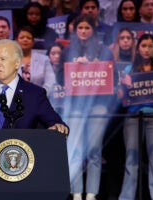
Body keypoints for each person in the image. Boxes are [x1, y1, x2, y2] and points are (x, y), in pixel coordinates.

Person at [61, 14, 113, 200]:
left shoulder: (104, 50)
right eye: (80, 28)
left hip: (97, 105)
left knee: (94, 151)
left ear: (93, 30)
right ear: (75, 30)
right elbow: (61, 77)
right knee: (74, 150)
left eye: (87, 28)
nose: (83, 31)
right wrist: (74, 67)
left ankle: (91, 194)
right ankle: (76, 193)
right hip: (74, 106)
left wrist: (94, 66)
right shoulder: (67, 51)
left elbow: (111, 76)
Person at [118, 33, 153, 200]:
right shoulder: (129, 69)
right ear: (138, 48)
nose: (147, 49)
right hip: (134, 117)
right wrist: (122, 88)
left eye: (150, 46)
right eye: (143, 46)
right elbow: (122, 99)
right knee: (131, 159)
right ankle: (126, 197)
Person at [15, 26, 57, 94]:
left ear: (33, 42)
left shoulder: (44, 59)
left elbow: (50, 82)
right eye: (22, 37)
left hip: (39, 99)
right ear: (16, 41)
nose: (25, 40)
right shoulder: (9, 61)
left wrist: (39, 96)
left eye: (28, 38)